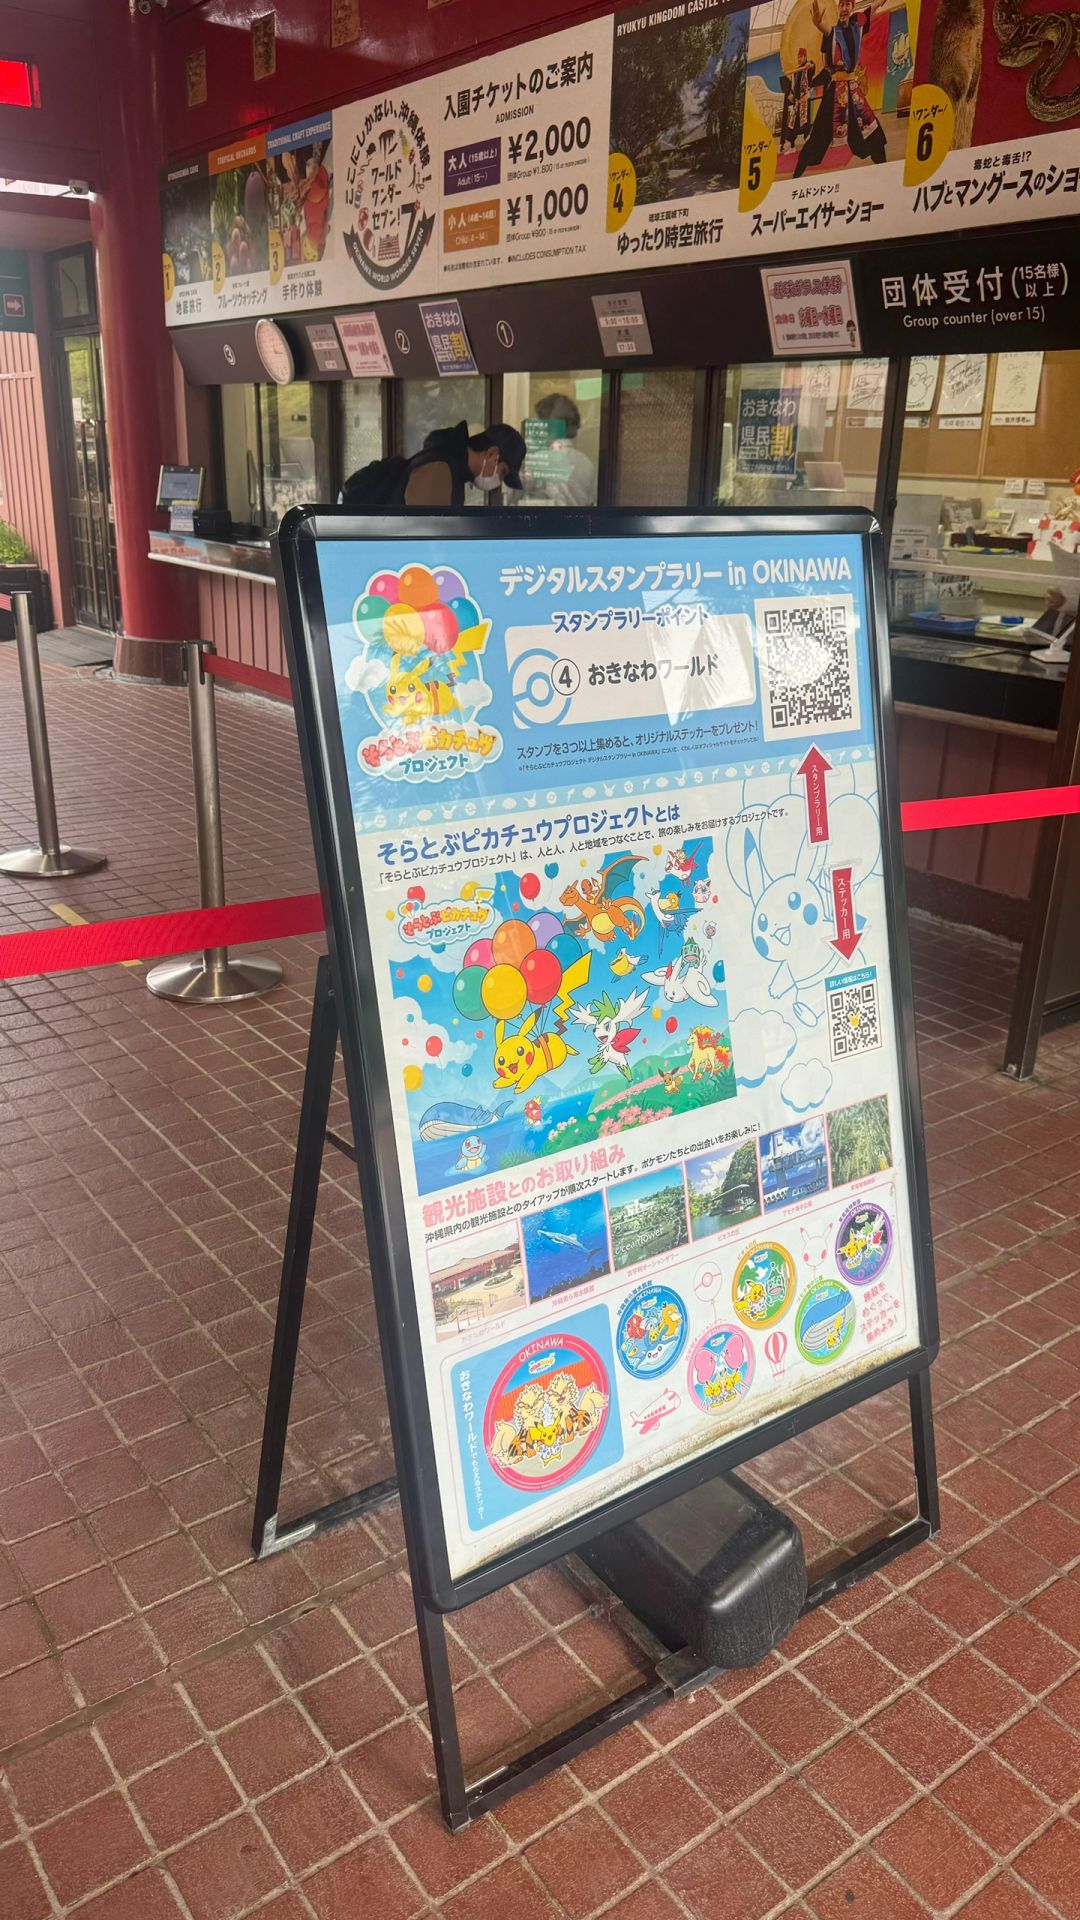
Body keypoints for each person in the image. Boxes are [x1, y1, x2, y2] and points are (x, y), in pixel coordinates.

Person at [340, 419, 525, 510]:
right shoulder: (440, 470)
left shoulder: (448, 464)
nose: (497, 481)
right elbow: (427, 540)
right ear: (492, 454)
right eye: (502, 472)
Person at [794, 0, 888, 180]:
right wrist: (817, 23)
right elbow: (826, 29)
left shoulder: (857, 24)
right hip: (834, 93)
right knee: (818, 136)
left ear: (852, 7)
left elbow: (876, 5)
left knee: (872, 132)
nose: (844, 9)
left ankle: (887, 174)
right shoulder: (834, 31)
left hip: (853, 92)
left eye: (848, 5)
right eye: (842, 5)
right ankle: (794, 180)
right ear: (838, 9)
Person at [521, 393, 596, 508]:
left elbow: (517, 494)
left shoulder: (539, 460)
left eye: (541, 422)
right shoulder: (587, 463)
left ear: (551, 425)